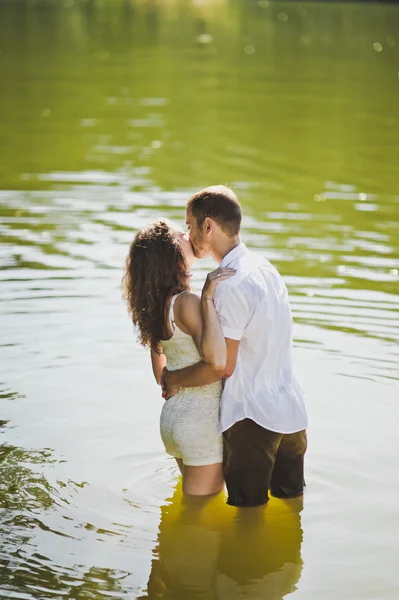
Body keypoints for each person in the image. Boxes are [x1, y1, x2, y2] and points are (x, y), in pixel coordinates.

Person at [162, 186, 309, 507]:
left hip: (252, 419)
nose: (187, 233)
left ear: (209, 226)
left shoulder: (227, 283)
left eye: (189, 225)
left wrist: (174, 380)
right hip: (291, 412)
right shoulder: (266, 268)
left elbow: (221, 365)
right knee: (291, 507)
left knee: (248, 518)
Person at [122, 218, 235, 496]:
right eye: (182, 235)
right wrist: (207, 298)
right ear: (171, 253)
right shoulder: (187, 302)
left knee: (190, 513)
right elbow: (217, 363)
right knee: (200, 517)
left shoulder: (158, 307)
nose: (188, 235)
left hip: (172, 420)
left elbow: (159, 375)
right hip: (200, 424)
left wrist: (173, 380)